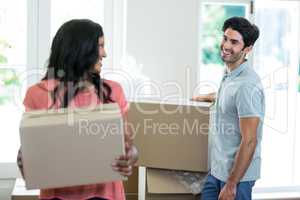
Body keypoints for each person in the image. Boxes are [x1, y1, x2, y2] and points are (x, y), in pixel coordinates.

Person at [17, 19, 138, 200]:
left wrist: (130, 158)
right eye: (100, 46)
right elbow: (29, 154)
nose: (104, 54)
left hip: (106, 196)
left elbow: (129, 147)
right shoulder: (39, 93)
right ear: (81, 50)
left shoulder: (113, 91)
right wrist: (24, 160)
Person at [193, 17, 265, 200]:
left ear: (247, 49)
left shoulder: (246, 85)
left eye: (234, 42)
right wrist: (206, 97)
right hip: (218, 170)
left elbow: (250, 141)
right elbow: (231, 100)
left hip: (236, 178)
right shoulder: (231, 74)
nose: (226, 45)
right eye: (225, 38)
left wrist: (232, 184)